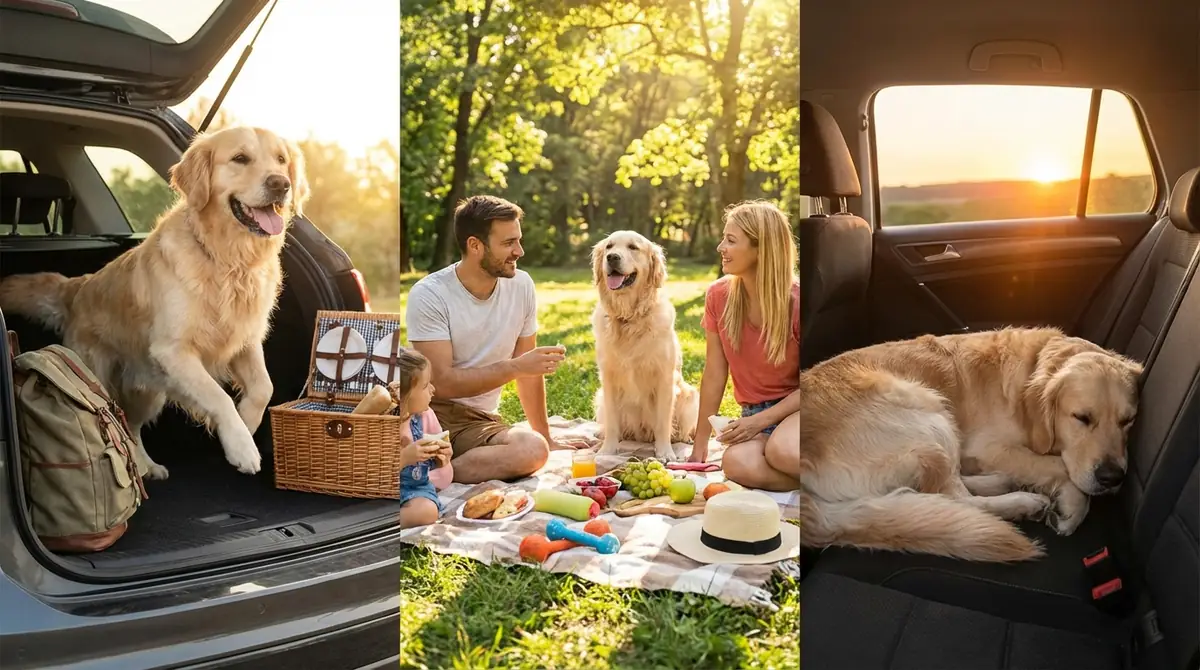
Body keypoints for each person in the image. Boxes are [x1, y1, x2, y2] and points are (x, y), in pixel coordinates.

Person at [405, 195, 587, 484]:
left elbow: (529, 374)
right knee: (529, 450)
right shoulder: (430, 295)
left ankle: (433, 469)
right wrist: (515, 367)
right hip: (429, 413)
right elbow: (441, 383)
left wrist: (546, 436)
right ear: (475, 245)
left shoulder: (521, 286)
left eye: (519, 240)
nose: (520, 251)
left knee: (533, 448)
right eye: (508, 243)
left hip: (477, 422)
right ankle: (427, 469)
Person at [692, 200, 800, 492]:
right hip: (753, 417)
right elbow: (714, 374)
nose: (720, 248)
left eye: (730, 240)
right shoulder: (718, 296)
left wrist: (763, 421)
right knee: (736, 463)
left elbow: (817, 384)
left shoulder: (799, 302)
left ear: (760, 249)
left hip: (800, 411)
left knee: (783, 453)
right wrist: (699, 446)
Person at [395, 347, 454, 529]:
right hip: (382, 492)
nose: (433, 389)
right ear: (403, 395)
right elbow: (369, 470)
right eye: (425, 385)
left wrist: (443, 461)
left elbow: (443, 480)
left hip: (415, 492)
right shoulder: (383, 423)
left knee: (427, 511)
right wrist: (404, 458)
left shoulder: (426, 416)